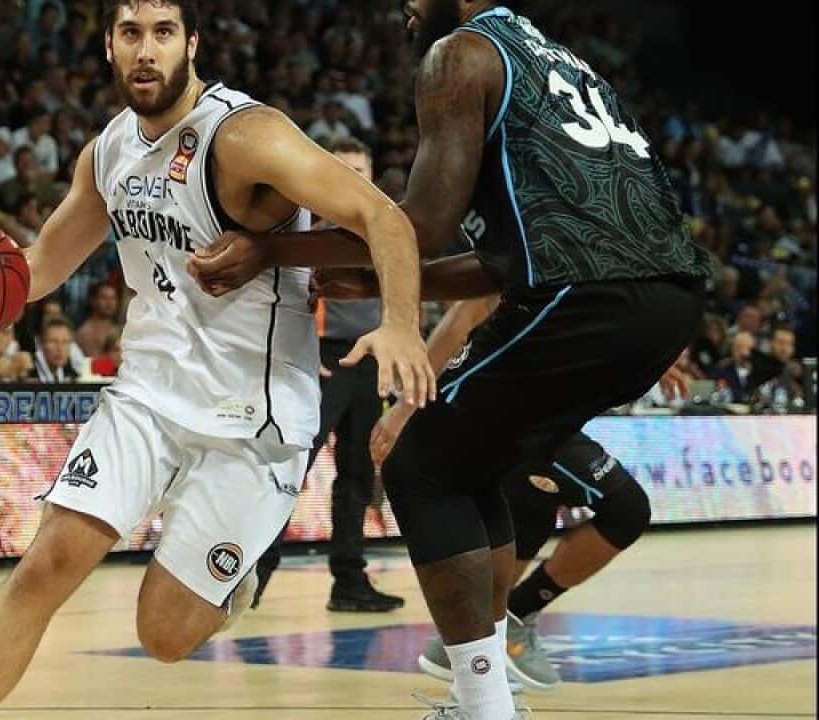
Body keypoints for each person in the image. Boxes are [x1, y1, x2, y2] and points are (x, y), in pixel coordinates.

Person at [0, 2, 429, 718]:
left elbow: (381, 215)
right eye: (131, 33)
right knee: (44, 566)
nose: (147, 50)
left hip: (250, 417)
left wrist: (402, 325)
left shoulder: (245, 135)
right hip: (143, 397)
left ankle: (229, 582)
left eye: (163, 33)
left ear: (192, 43)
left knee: (163, 634)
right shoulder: (107, 152)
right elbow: (34, 269)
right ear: (109, 46)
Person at [187, 3, 711, 718]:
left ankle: (484, 702)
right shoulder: (565, 63)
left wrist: (270, 251)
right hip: (666, 300)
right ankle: (490, 679)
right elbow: (503, 262)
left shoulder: (459, 54)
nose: (401, 6)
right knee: (470, 465)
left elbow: (422, 227)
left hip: (588, 298)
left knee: (419, 464)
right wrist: (378, 278)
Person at [365, 295, 674, 693]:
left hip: (533, 412)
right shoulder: (526, 251)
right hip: (499, 408)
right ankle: (505, 624)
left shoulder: (588, 264)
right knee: (626, 508)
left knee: (529, 511)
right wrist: (404, 410)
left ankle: (472, 647)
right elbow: (466, 311)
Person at [252, 137, 404, 614]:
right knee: (290, 471)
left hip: (371, 363)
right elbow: (277, 304)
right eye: (345, 168)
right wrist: (297, 351)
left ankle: (349, 580)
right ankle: (250, 573)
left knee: (357, 477)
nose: (355, 177)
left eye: (362, 169)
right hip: (322, 360)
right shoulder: (310, 235)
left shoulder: (387, 234)